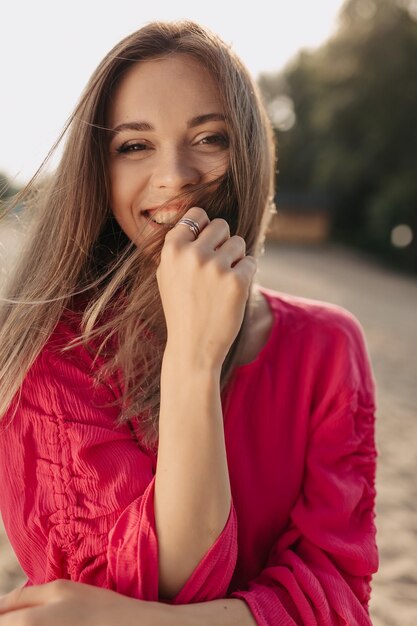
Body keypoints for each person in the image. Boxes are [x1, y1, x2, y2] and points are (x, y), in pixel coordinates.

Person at [0, 20, 378, 625]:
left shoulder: (327, 346)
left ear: (250, 151)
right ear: (100, 174)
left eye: (209, 138)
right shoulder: (52, 351)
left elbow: (337, 599)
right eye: (134, 145)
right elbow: (162, 579)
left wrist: (122, 621)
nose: (174, 175)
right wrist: (193, 360)